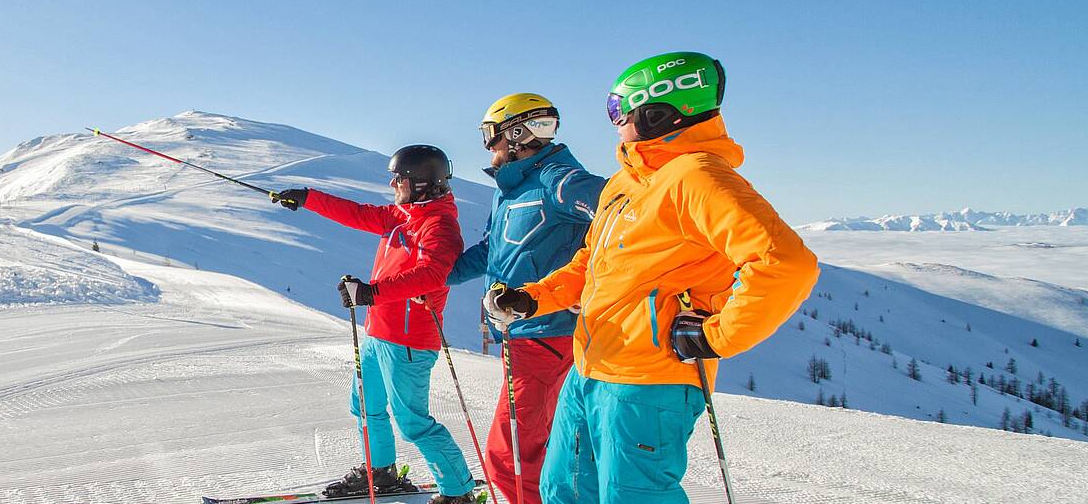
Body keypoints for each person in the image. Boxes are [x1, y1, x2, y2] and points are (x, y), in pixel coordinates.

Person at [483, 52, 819, 504]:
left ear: (658, 111)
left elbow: (786, 263)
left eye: (619, 110)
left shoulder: (697, 178)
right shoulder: (628, 183)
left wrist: (717, 336)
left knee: (632, 496)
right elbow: (591, 263)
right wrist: (533, 298)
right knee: (562, 490)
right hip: (589, 368)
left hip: (647, 380)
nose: (613, 122)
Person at [273, 145, 480, 504]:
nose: (392, 183)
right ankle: (380, 473)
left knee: (413, 422)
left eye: (398, 178)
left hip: (410, 341)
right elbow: (355, 213)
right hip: (378, 334)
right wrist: (307, 198)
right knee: (366, 407)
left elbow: (433, 274)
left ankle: (458, 492)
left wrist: (372, 292)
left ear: (418, 184)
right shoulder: (401, 216)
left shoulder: (439, 226)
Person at [445, 93, 605, 504]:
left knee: (508, 455)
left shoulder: (559, 179)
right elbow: (490, 251)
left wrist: (591, 285)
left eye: (491, 136)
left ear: (518, 134)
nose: (488, 146)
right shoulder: (511, 191)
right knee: (540, 446)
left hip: (546, 335)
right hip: (521, 335)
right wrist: (438, 276)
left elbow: (622, 216)